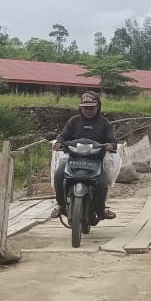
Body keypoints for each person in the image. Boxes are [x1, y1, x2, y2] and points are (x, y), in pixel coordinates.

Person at [51, 90, 117, 221]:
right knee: (58, 175)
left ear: (98, 107)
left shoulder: (104, 123)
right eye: (85, 108)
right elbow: (63, 136)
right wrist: (58, 142)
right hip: (73, 159)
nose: (88, 110)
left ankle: (100, 210)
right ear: (80, 107)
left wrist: (111, 145)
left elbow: (113, 141)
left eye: (91, 108)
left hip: (96, 160)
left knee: (102, 183)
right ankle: (61, 205)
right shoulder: (73, 121)